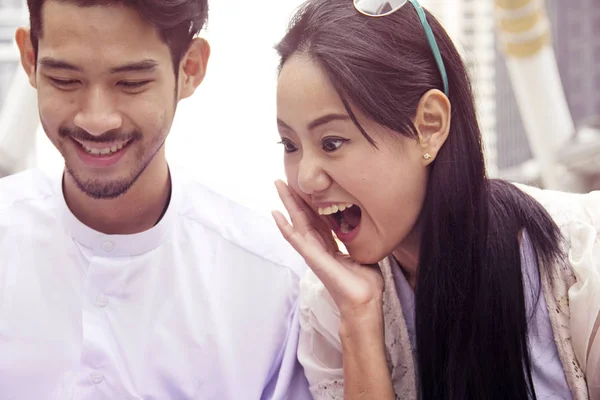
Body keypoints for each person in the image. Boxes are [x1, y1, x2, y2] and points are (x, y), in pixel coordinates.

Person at [270, 0, 600, 399]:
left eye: (332, 142)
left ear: (429, 126)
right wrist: (359, 319)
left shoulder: (583, 259)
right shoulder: (330, 303)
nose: (306, 178)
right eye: (290, 145)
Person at [0, 1, 313, 399]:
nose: (96, 119)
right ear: (30, 59)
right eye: (64, 80)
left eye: (130, 83)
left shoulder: (274, 283)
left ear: (190, 69)